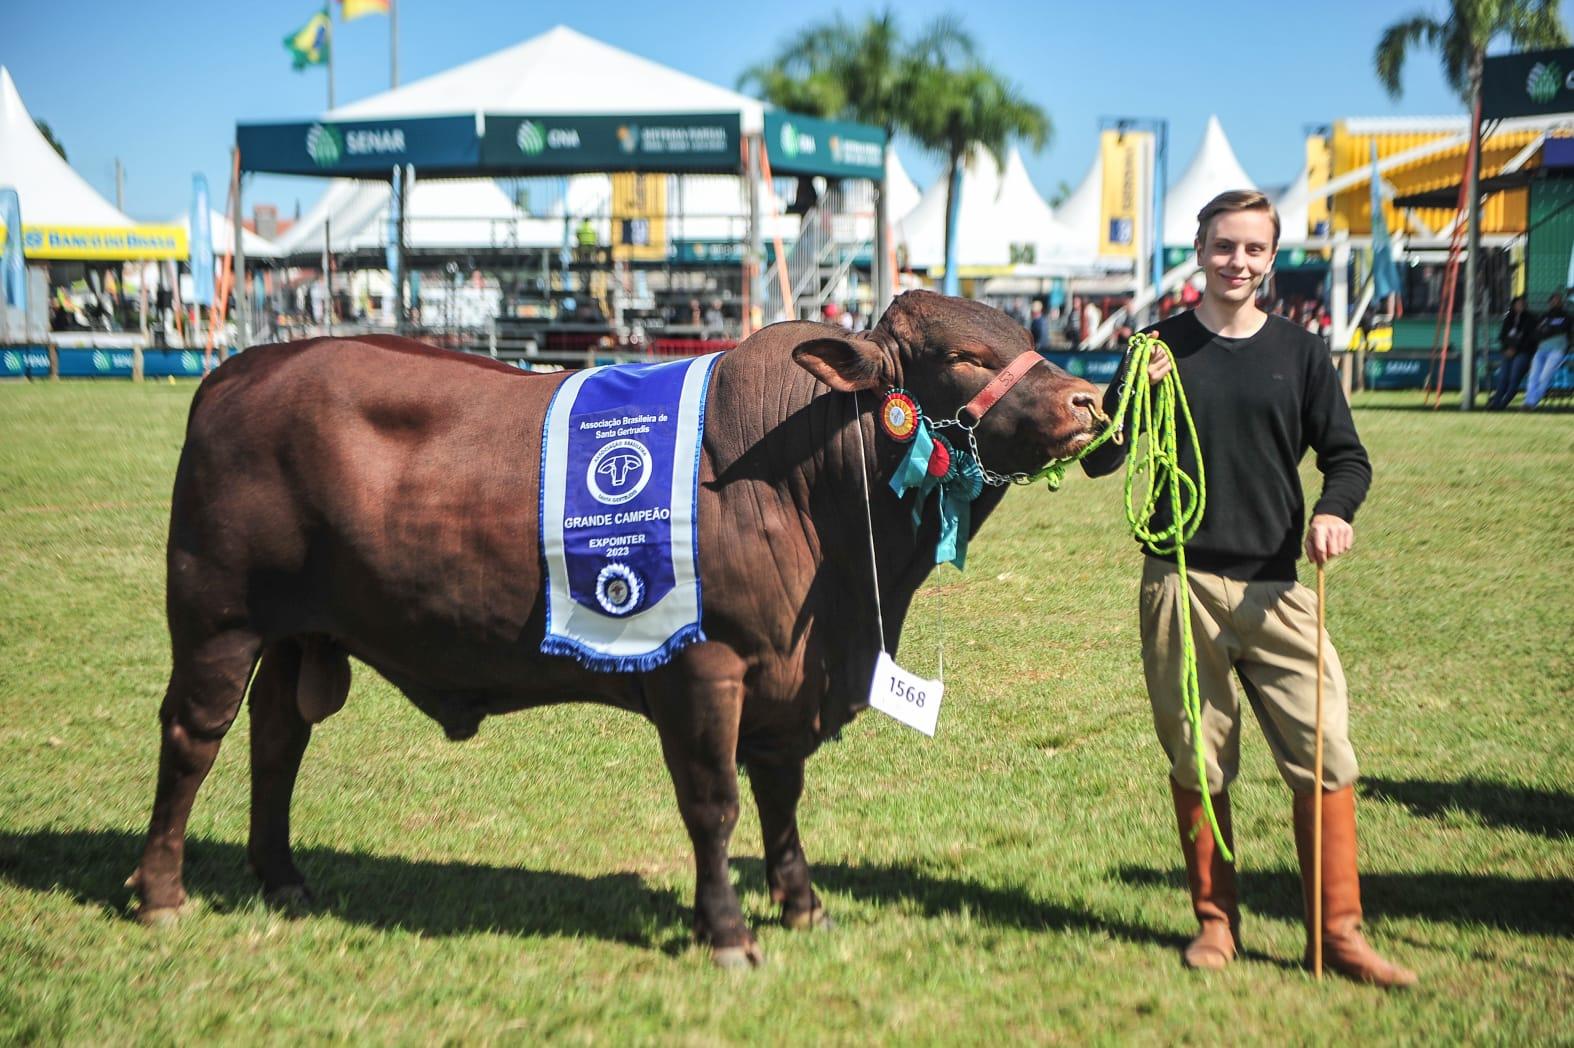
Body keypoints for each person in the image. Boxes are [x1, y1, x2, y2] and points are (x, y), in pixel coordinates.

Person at [1082, 189, 1417, 989]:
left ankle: (1339, 932)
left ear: (1271, 259)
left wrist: (1334, 513)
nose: (1238, 262)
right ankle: (1216, 923)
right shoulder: (1152, 347)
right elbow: (1100, 460)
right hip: (1178, 582)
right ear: (1198, 251)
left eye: (1254, 250)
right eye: (1224, 246)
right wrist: (1131, 395)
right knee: (1199, 758)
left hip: (1279, 588)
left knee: (1325, 752)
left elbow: (1348, 458)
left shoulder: (1301, 354)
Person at [1487, 295, 1537, 410]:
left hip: (1523, 352)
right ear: (1514, 305)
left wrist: (1515, 349)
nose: (1521, 306)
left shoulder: (1530, 319)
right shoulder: (1508, 319)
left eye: (1523, 304)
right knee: (1503, 378)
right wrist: (1506, 349)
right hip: (1508, 352)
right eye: (1518, 304)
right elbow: (1503, 337)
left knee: (1514, 378)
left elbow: (1530, 340)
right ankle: (1495, 404)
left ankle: (1503, 404)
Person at [1522, 291, 1570, 409]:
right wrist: (1550, 330)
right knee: (1533, 376)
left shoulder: (1567, 317)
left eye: (1558, 301)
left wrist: (1547, 330)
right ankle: (1529, 402)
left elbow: (1562, 329)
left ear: (1562, 303)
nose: (1556, 303)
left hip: (1557, 350)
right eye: (1553, 301)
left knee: (1544, 376)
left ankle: (1532, 402)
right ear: (1550, 303)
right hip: (1541, 349)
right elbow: (1536, 334)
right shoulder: (1544, 316)